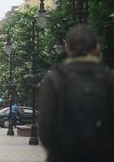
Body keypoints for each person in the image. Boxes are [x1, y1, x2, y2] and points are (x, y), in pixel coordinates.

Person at [39, 25, 114, 162]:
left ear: (68, 49)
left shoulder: (54, 79)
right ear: (97, 48)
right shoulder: (110, 78)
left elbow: (45, 129)